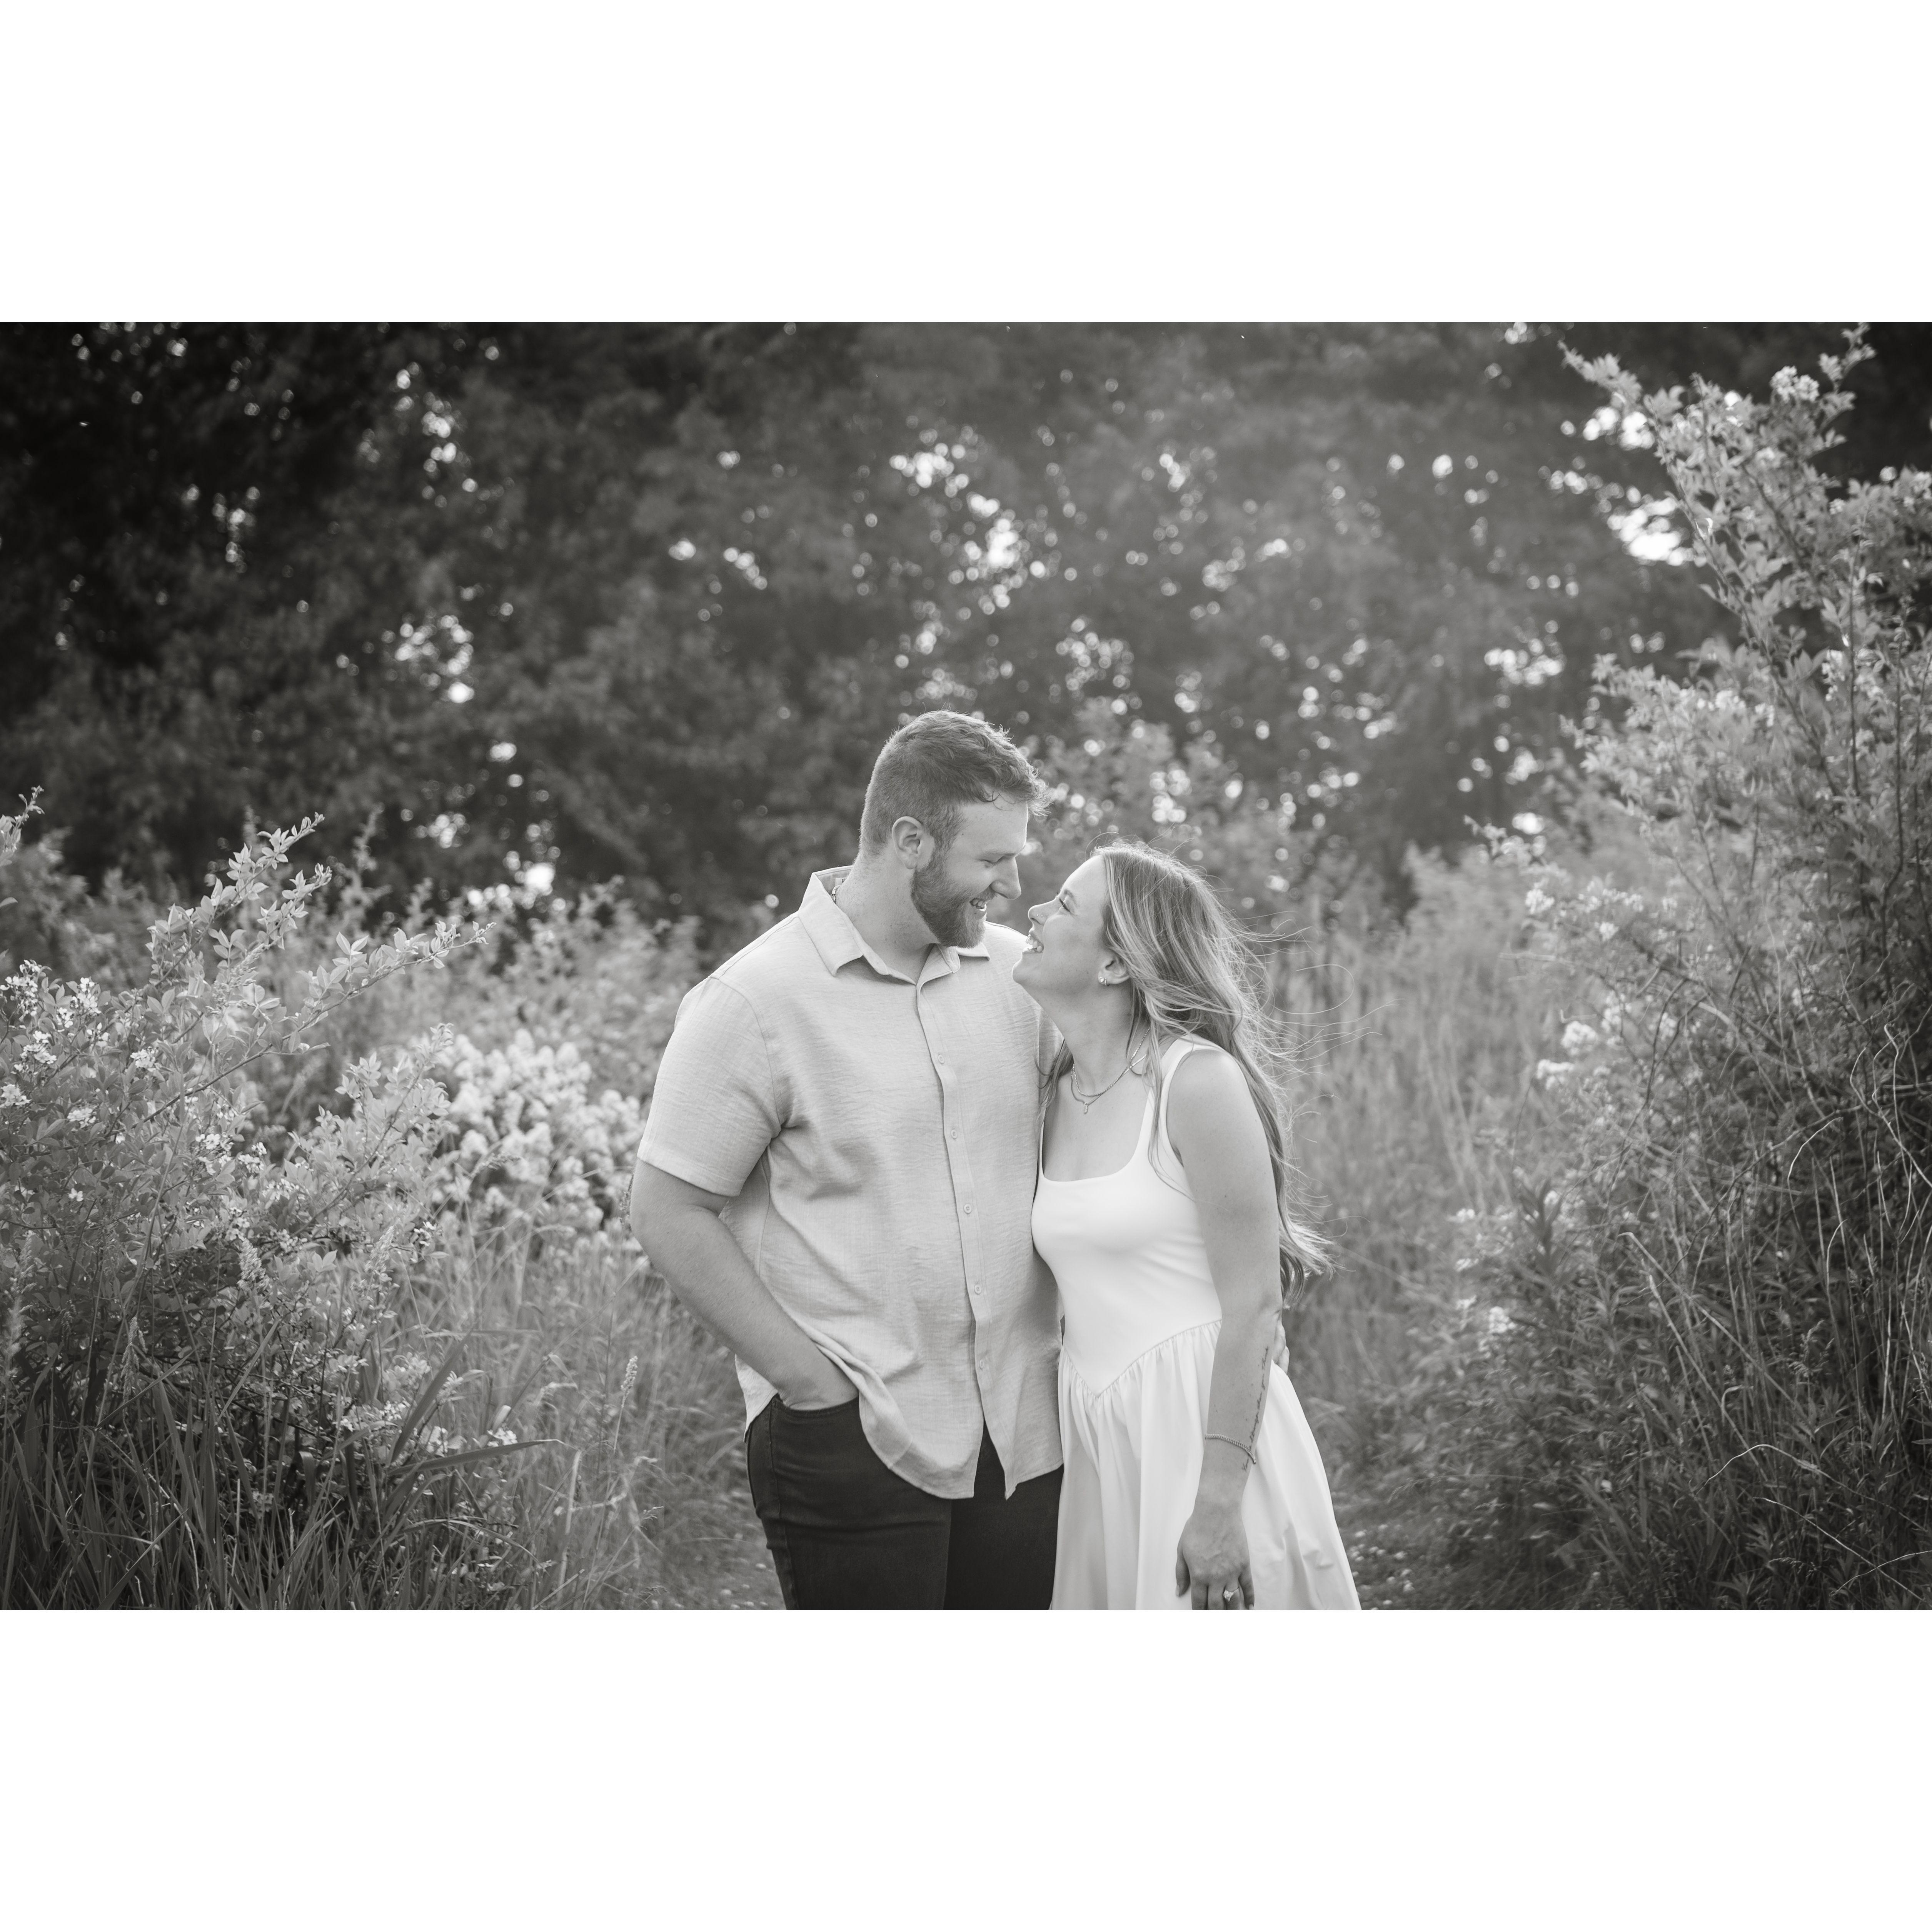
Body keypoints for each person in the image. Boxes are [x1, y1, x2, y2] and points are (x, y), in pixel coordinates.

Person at [630, 710, 1063, 1609]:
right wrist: (809, 1385)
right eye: (992, 859)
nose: (1013, 886)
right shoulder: (754, 1001)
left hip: (1026, 1441)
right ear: (910, 841)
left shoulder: (1023, 981)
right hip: (853, 1435)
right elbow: (666, 1210)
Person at [1013, 840, 1360, 1610]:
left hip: (1202, 1433)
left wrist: (1217, 1502)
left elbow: (1255, 1305)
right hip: (1100, 1436)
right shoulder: (1052, 1091)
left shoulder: (1198, 1082)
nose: (1033, 911)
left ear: (1115, 963)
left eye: (1064, 904)